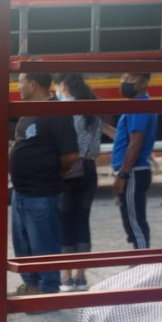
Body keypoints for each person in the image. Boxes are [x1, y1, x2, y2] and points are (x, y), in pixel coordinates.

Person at [10, 73, 79, 296]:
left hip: (42, 193)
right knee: (24, 243)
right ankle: (31, 283)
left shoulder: (56, 112)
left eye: (20, 82)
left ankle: (47, 289)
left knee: (44, 244)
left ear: (32, 83)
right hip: (21, 191)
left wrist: (45, 170)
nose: (18, 86)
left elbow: (69, 155)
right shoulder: (28, 111)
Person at [53, 74, 104, 291]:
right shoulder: (93, 108)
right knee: (82, 221)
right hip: (90, 169)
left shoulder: (65, 110)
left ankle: (65, 277)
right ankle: (80, 277)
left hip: (68, 171)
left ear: (63, 85)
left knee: (64, 222)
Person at [110, 73, 158, 249]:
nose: (124, 82)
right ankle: (139, 260)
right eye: (123, 77)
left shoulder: (139, 105)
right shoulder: (137, 105)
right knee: (132, 220)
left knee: (135, 223)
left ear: (144, 82)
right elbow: (125, 139)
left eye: (131, 79)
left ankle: (142, 263)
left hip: (133, 172)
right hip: (133, 172)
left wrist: (122, 174)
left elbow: (135, 143)